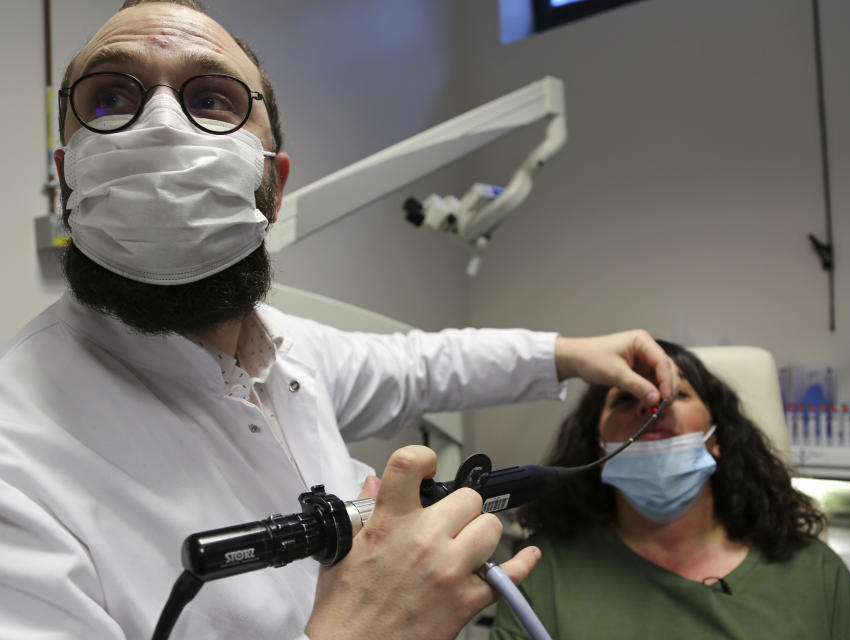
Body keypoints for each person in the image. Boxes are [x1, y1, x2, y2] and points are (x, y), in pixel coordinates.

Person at [0, 2, 680, 639]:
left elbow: (424, 365)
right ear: (67, 176)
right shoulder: (17, 459)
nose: (162, 126)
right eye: (112, 98)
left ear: (276, 184)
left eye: (210, 98)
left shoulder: (282, 352)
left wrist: (572, 352)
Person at [491, 340, 850, 639]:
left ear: (717, 438)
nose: (651, 404)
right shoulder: (544, 574)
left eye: (676, 392)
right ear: (599, 449)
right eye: (626, 398)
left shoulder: (815, 573)